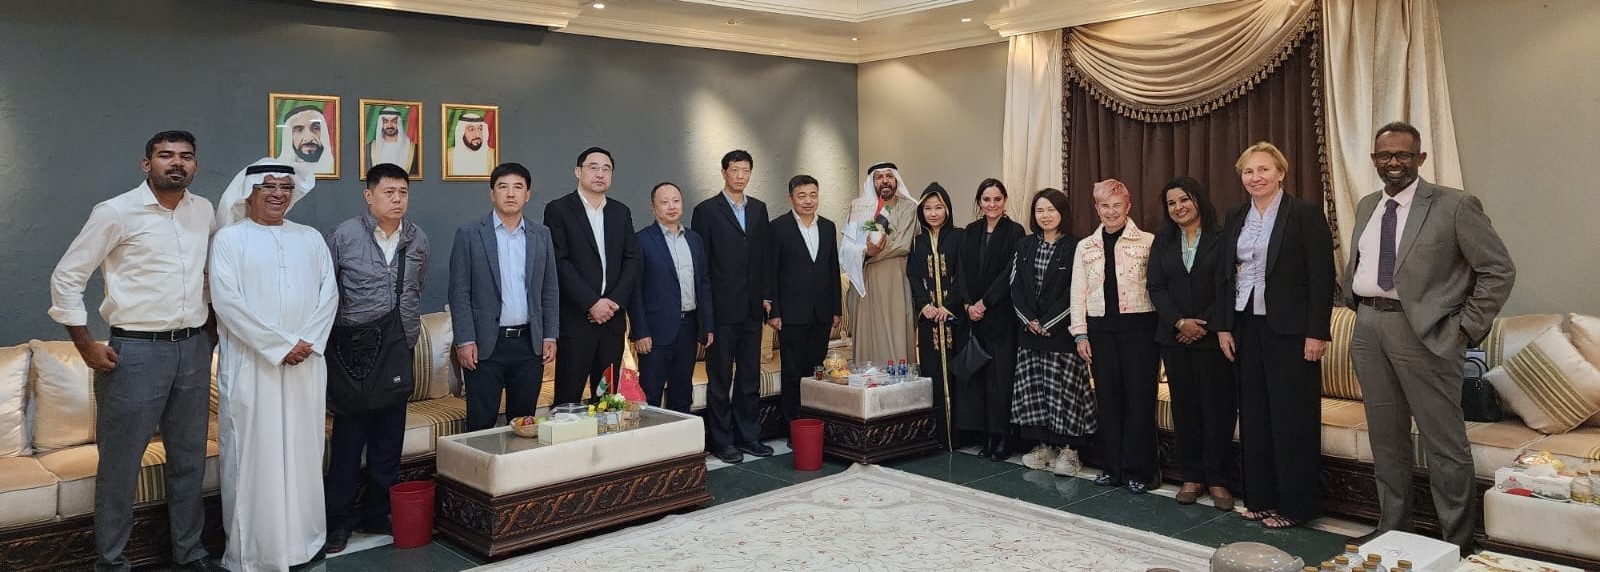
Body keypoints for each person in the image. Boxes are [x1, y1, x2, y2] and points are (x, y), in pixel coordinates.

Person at [48, 131, 223, 572]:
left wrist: (211, 332)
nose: (176, 163)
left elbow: (210, 274)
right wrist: (86, 345)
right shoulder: (115, 212)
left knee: (189, 460)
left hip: (193, 350)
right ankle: (111, 562)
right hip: (135, 353)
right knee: (121, 465)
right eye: (166, 155)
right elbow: (67, 277)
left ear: (196, 166)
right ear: (147, 164)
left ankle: (190, 553)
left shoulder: (203, 210)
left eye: (186, 156)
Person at [1342, 121, 1514, 549]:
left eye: (1403, 154)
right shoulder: (1367, 205)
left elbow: (1498, 270)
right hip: (1368, 327)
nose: (1394, 162)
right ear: (1374, 160)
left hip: (1427, 334)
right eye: (1385, 155)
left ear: (1420, 158)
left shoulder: (1455, 205)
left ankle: (1456, 542)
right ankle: (1393, 530)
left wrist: (1465, 329)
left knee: (1444, 443)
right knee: (1386, 438)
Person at [209, 159, 339, 570]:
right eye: (268, 186)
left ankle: (304, 542)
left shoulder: (310, 238)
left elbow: (329, 294)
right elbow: (227, 302)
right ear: (249, 192)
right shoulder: (229, 240)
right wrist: (280, 346)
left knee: (304, 450)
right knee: (253, 456)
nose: (278, 193)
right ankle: (255, 551)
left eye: (285, 186)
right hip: (253, 366)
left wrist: (307, 343)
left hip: (306, 366)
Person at [1214, 141, 1334, 529]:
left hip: (1292, 331)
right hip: (1246, 325)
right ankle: (1261, 498)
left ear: (1281, 173)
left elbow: (1322, 277)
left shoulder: (1304, 213)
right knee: (1254, 415)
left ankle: (1296, 505)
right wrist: (1224, 325)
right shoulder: (1236, 215)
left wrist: (1316, 333)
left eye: (1264, 169)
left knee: (1291, 418)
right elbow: (1224, 275)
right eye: (1249, 171)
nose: (1256, 177)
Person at [321, 162, 430, 553]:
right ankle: (337, 521)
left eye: (403, 192)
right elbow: (326, 289)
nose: (397, 199)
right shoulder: (344, 236)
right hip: (354, 354)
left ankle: (377, 512)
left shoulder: (417, 239)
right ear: (369, 195)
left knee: (388, 442)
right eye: (389, 192)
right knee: (349, 444)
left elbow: (417, 286)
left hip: (399, 350)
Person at [1146, 176, 1236, 510]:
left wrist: (1202, 324)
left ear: (1198, 199)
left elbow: (1228, 285)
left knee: (1217, 410)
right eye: (1171, 203)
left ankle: (1218, 479)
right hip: (1174, 338)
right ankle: (1191, 476)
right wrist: (1180, 322)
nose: (1178, 207)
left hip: (1214, 339)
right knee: (1185, 409)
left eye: (1184, 199)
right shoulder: (1163, 240)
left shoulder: (1222, 237)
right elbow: (1155, 286)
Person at [448, 163, 560, 431]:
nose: (510, 193)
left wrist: (550, 335)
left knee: (523, 424)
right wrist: (465, 340)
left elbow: (550, 289)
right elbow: (459, 292)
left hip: (529, 345)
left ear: (527, 194)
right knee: (480, 425)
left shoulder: (541, 235)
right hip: (485, 345)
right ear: (492, 193)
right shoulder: (470, 234)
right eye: (503, 187)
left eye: (518, 187)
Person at [1065, 179, 1160, 492]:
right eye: (1104, 206)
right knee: (1108, 400)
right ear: (1096, 208)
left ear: (1128, 206)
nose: (1111, 211)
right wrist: (1080, 334)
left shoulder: (1147, 241)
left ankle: (1140, 472)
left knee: (1139, 400)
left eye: (1117, 205)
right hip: (1100, 332)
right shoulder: (1085, 246)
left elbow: (1157, 287)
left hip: (1140, 331)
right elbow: (1077, 292)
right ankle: (1112, 468)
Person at [691, 149, 774, 464]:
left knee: (750, 377)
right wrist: (706, 314)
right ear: (724, 172)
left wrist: (766, 296)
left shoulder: (759, 209)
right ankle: (722, 441)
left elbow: (764, 256)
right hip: (721, 310)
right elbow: (702, 265)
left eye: (746, 170)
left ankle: (749, 436)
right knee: (720, 379)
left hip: (752, 309)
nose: (740, 176)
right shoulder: (706, 211)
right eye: (735, 170)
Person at [545, 147, 640, 405]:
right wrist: (592, 303)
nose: (600, 174)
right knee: (568, 401)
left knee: (606, 399)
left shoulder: (621, 212)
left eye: (606, 169)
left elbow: (631, 260)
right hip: (577, 322)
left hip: (612, 322)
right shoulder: (559, 210)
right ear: (578, 171)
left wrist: (613, 302)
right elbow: (559, 262)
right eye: (593, 167)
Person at [1012, 189, 1096, 477]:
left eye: (1051, 209)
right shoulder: (1024, 245)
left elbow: (1077, 290)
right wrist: (1029, 320)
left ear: (1062, 212)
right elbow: (1015, 286)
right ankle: (1043, 446)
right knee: (1035, 392)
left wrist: (1049, 322)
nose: (1045, 215)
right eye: (1040, 210)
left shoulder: (1076, 246)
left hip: (1061, 333)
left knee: (1065, 393)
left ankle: (1070, 451)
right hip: (1029, 333)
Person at [629, 182, 715, 413]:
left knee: (682, 393)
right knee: (651, 395)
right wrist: (640, 332)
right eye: (664, 202)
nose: (671, 206)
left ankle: (681, 436)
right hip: (655, 332)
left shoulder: (694, 239)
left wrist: (707, 325)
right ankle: (651, 437)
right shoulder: (641, 240)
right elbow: (634, 291)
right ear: (653, 207)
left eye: (676, 201)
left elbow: (703, 284)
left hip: (688, 328)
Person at [957, 178, 1027, 460]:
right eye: (986, 199)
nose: (992, 204)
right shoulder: (970, 231)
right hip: (973, 317)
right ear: (979, 202)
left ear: (1004, 201)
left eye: (997, 199)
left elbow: (1010, 273)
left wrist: (985, 303)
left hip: (1001, 316)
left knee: (1000, 379)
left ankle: (1002, 439)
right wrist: (967, 304)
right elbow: (961, 270)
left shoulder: (1015, 231)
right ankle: (985, 437)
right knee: (980, 380)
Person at [768, 175, 842, 428]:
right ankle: (793, 426)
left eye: (813, 195)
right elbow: (771, 272)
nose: (808, 201)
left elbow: (833, 269)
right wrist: (774, 312)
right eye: (802, 196)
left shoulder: (828, 226)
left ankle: (814, 423)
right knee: (793, 372)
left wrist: (836, 309)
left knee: (816, 371)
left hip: (822, 311)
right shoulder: (778, 227)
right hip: (791, 313)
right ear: (791, 198)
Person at [907, 182, 966, 450]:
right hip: (929, 319)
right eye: (928, 208)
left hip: (954, 319)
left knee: (957, 374)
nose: (933, 213)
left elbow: (963, 274)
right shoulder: (916, 242)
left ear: (947, 209)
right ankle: (936, 436)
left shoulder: (960, 236)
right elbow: (913, 276)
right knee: (931, 373)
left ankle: (960, 434)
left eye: (938, 207)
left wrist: (949, 305)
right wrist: (924, 306)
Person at [840, 162, 918, 366]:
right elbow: (846, 249)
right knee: (867, 339)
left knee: (895, 338)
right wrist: (865, 252)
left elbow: (902, 244)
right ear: (871, 181)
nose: (885, 181)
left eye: (889, 176)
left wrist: (868, 254)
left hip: (894, 283)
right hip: (863, 285)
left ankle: (898, 384)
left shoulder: (908, 207)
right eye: (879, 177)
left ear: (896, 180)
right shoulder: (860, 208)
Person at [276, 105, 335, 175]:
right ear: (289, 137)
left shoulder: (334, 167)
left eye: (315, 128)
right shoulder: (278, 170)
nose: (308, 138)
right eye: (299, 130)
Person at [369, 107, 416, 173]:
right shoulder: (370, 148)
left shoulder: (413, 149)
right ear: (381, 124)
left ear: (398, 123)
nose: (389, 125)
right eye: (385, 121)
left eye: (394, 121)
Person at [449, 112, 493, 177]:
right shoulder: (449, 155)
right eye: (471, 129)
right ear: (461, 132)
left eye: (480, 129)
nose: (477, 135)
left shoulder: (492, 155)